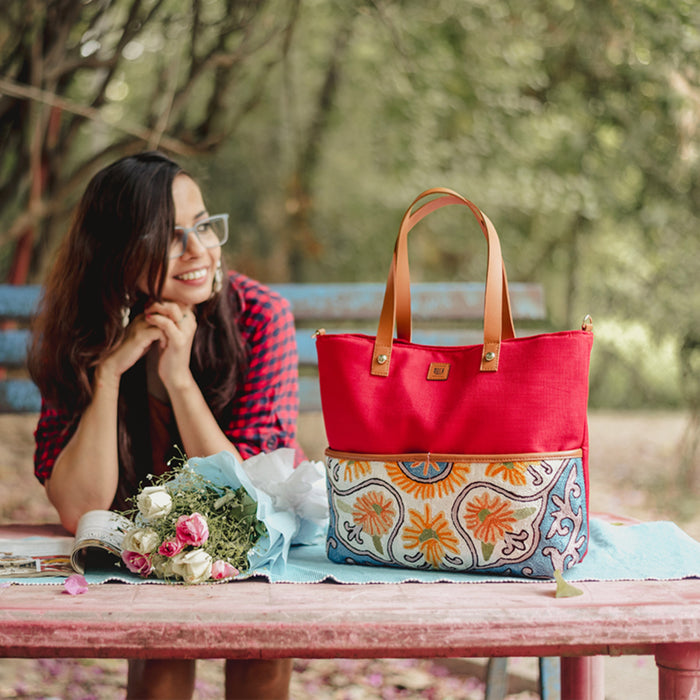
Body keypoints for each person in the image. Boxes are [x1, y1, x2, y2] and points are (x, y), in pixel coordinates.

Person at [28, 151, 302, 699]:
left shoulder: (260, 317)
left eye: (202, 225)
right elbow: (79, 510)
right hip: (145, 550)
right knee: (160, 668)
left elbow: (247, 500)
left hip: (250, 547)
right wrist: (108, 375)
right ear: (119, 253)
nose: (198, 250)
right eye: (169, 236)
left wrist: (179, 380)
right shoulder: (84, 330)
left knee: (263, 649)